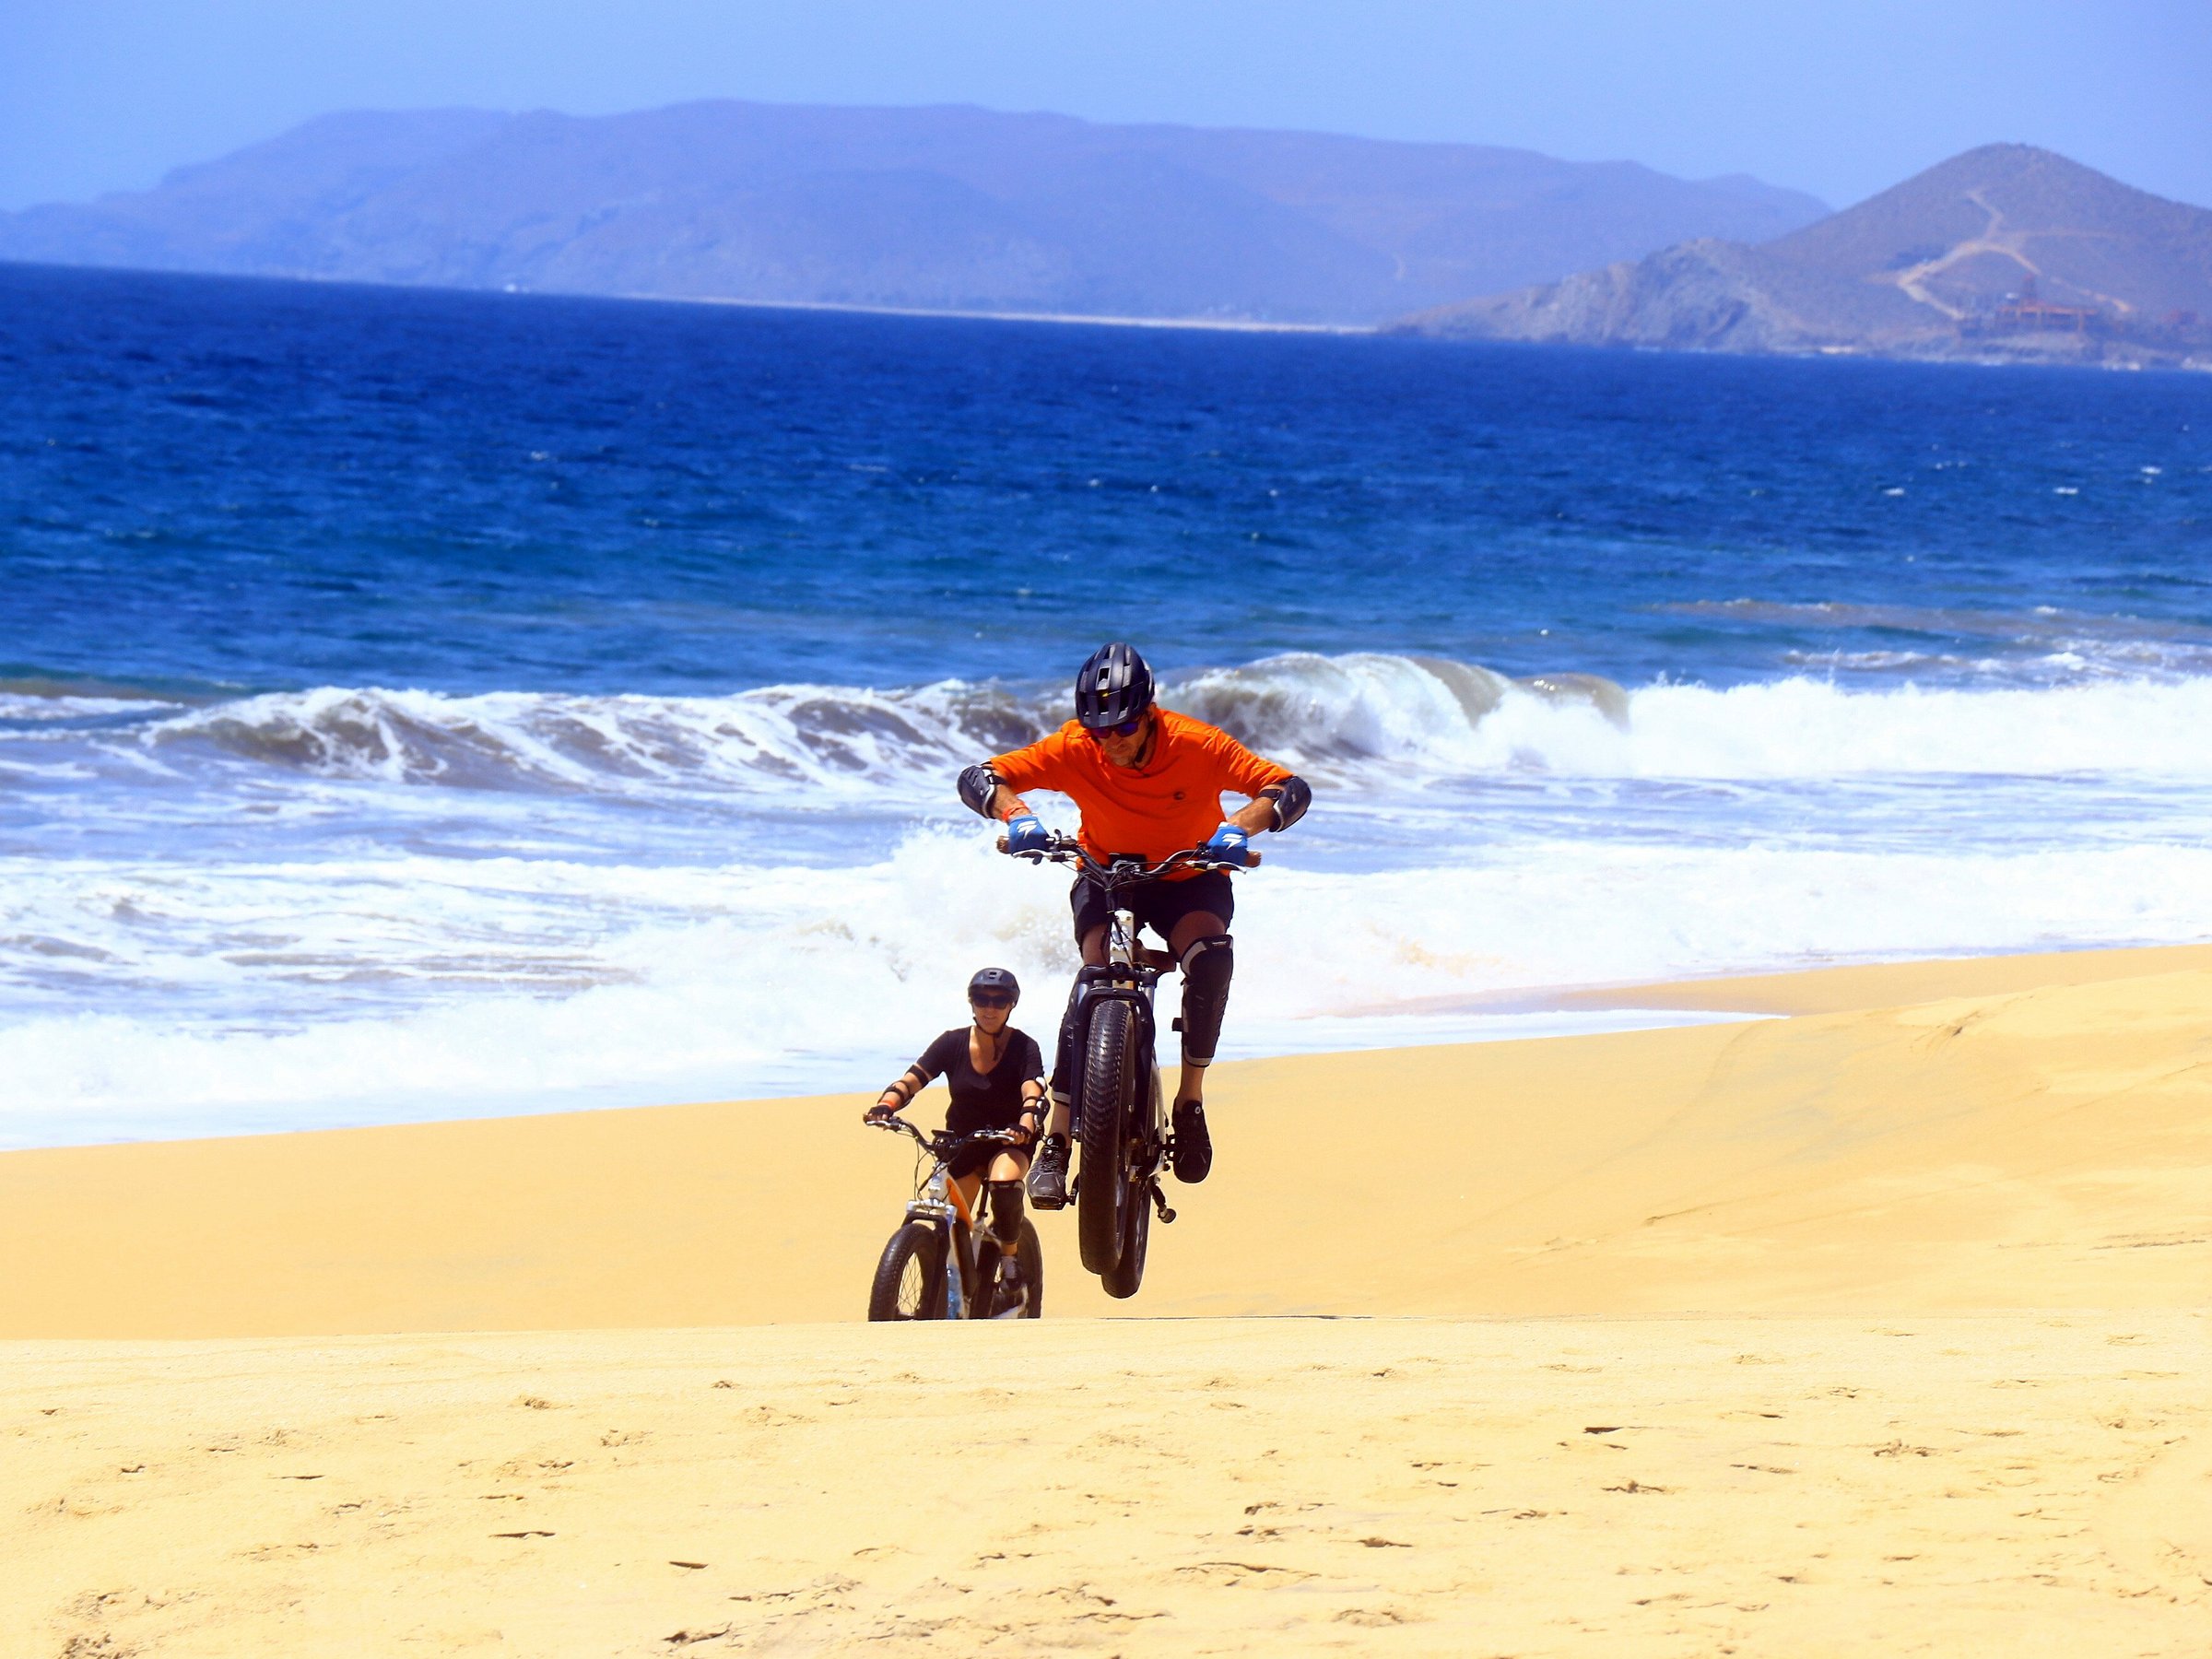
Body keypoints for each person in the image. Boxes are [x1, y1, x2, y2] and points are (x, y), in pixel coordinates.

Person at [956, 642, 1312, 1206]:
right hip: (1105, 875)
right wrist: (1016, 813)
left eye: (1121, 728)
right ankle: (1056, 1138)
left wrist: (1239, 827)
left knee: (1212, 956)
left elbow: (1287, 788)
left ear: (1147, 711)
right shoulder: (1076, 746)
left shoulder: (1197, 744)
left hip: (1188, 876)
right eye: (1099, 731)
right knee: (1094, 975)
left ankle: (1189, 1101)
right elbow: (983, 775)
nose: (1110, 742)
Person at [864, 967, 1046, 1300]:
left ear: (1012, 1005)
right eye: (982, 999)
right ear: (971, 1002)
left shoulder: (1024, 1046)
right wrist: (886, 1106)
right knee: (954, 1221)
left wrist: (1026, 1124)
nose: (990, 1008)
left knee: (1004, 1183)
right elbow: (913, 1078)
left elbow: (1032, 1091)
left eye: (1000, 1000)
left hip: (1009, 1139)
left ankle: (1009, 1260)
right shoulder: (952, 1042)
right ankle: (951, 1284)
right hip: (963, 1140)